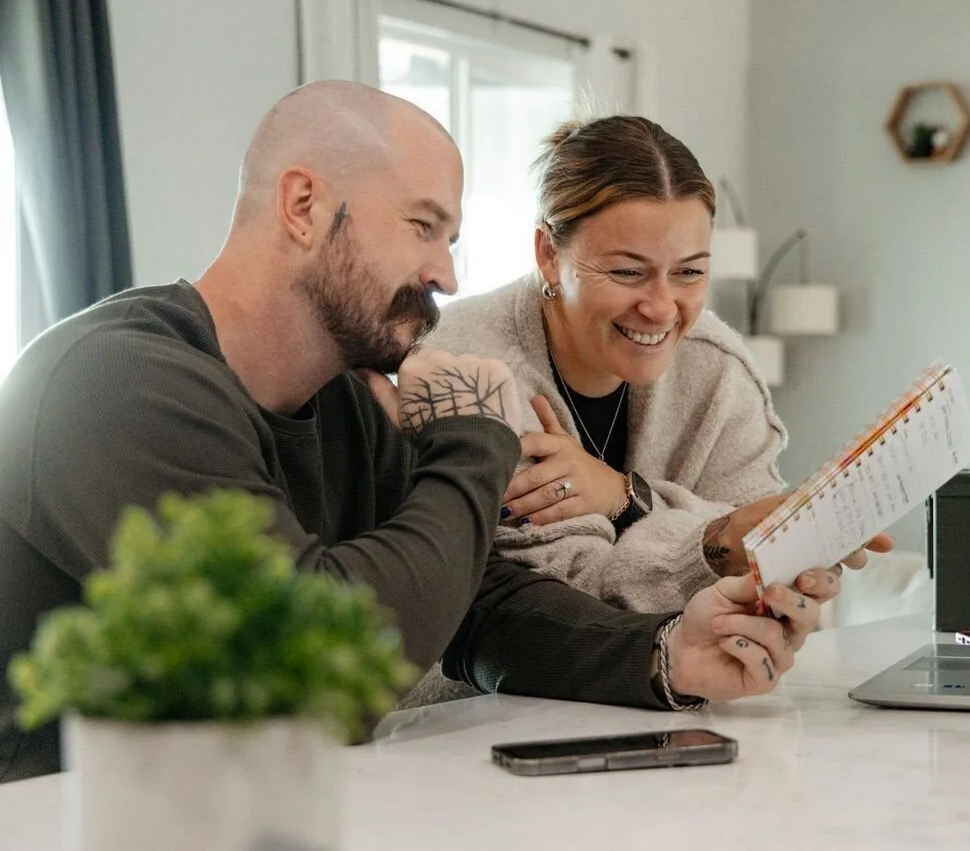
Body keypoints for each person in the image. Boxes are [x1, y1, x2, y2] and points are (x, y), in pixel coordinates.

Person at [0, 81, 861, 784]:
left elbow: (475, 605)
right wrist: (473, 442)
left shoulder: (341, 401)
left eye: (451, 236)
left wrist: (666, 655)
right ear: (303, 205)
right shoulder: (112, 384)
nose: (446, 271)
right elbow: (312, 669)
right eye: (421, 226)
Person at [427, 114, 889, 614]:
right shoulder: (466, 369)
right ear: (547, 254)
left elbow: (767, 589)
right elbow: (564, 603)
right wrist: (717, 540)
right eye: (628, 272)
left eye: (689, 272)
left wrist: (626, 499)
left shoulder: (717, 370)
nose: (662, 307)